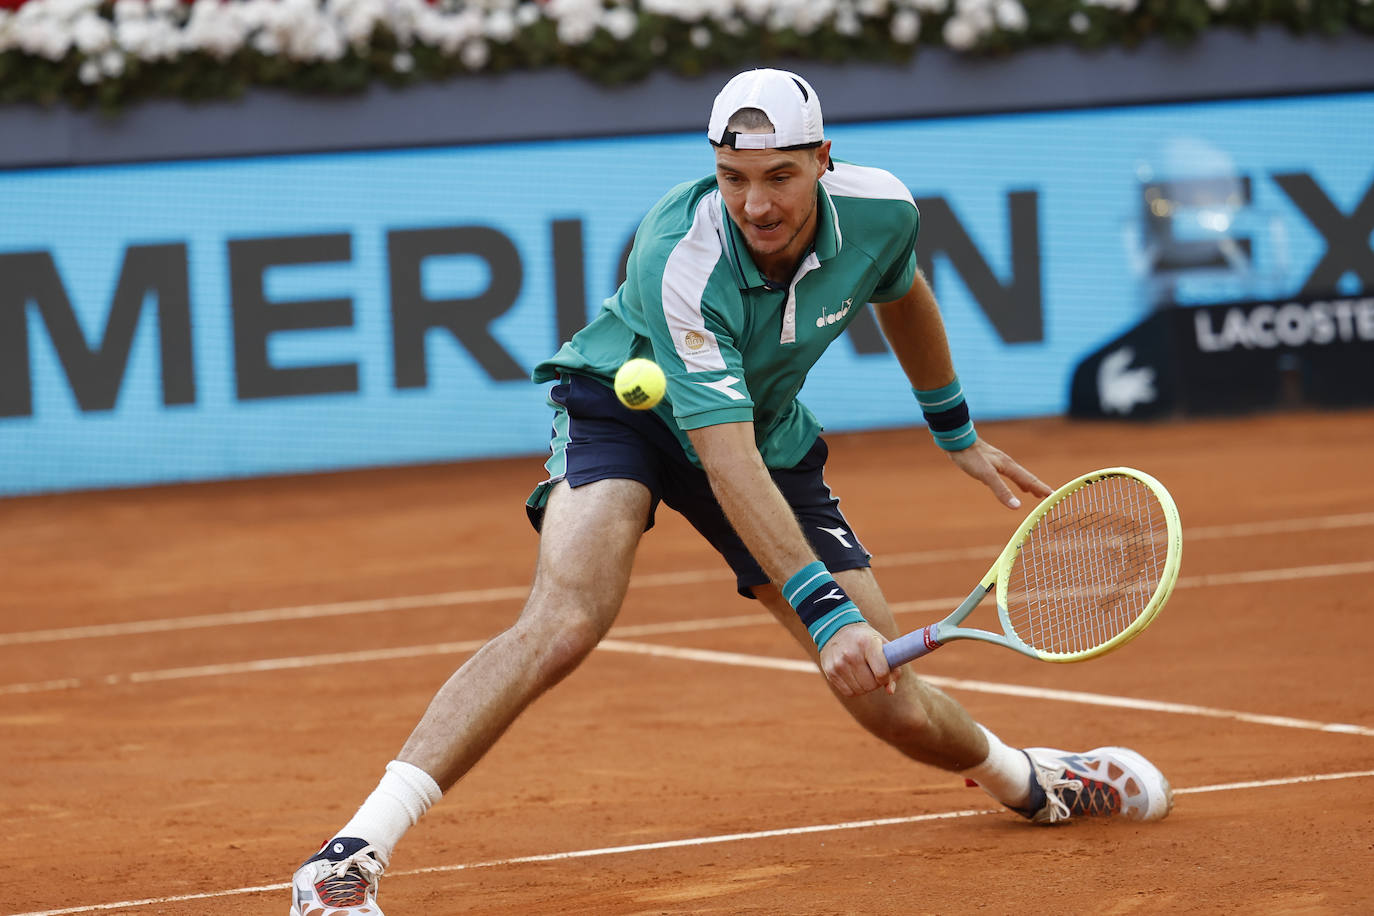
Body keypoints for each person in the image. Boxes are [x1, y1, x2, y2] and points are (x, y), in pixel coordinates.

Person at [289, 68, 1172, 916]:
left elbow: (900, 293)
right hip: (626, 407)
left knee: (887, 696)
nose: (756, 203)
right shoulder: (680, 255)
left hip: (768, 429)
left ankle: (1032, 782)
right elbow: (725, 461)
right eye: (734, 177)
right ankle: (347, 859)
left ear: (825, 158)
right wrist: (827, 617)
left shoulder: (882, 210)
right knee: (564, 619)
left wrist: (954, 429)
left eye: (780, 175)